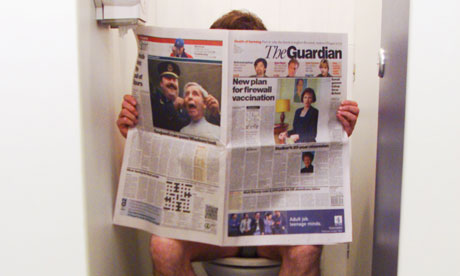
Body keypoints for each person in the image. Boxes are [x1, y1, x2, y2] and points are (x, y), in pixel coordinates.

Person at [116, 10, 360, 276]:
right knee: (163, 247)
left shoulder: (292, 106)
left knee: (306, 250)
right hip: (212, 228)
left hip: (273, 225)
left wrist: (338, 128)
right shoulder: (190, 116)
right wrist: (136, 132)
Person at [147, 61, 220, 132]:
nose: (172, 82)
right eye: (168, 78)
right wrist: (172, 107)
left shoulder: (186, 112)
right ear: (161, 83)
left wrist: (215, 113)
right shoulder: (153, 100)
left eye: (174, 79)